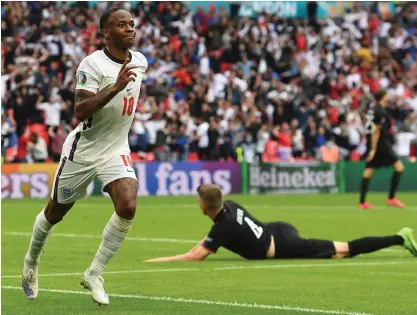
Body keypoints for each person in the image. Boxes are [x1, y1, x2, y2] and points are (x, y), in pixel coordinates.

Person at [21, 8, 148, 306]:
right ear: (106, 32)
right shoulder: (93, 64)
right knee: (55, 213)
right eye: (122, 25)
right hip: (84, 149)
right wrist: (115, 87)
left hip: (116, 147)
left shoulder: (140, 61)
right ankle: (31, 262)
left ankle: (94, 273)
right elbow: (79, 110)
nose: (130, 29)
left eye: (131, 24)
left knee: (128, 205)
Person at [145, 184, 417, 262]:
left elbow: (196, 255)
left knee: (343, 250)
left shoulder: (223, 226)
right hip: (275, 228)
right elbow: (209, 241)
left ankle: (399, 237)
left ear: (204, 207)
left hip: (283, 242)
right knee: (335, 254)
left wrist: (158, 260)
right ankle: (398, 238)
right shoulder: (232, 207)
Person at [359, 89, 405, 209]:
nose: (388, 97)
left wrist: (370, 147)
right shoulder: (380, 111)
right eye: (387, 95)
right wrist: (373, 150)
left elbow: (368, 128)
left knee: (369, 171)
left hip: (373, 142)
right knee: (399, 168)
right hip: (381, 144)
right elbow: (376, 131)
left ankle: (362, 202)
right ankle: (391, 198)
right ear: (383, 97)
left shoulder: (373, 109)